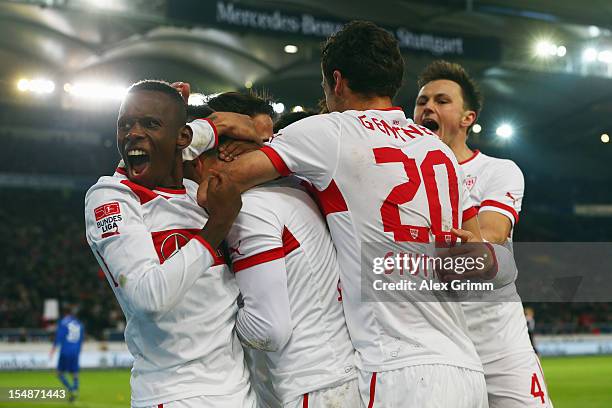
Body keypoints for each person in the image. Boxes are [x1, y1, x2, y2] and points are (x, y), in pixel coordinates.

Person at [192, 21, 494, 407]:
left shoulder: (330, 132)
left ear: (336, 81)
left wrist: (239, 130)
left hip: (396, 369)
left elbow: (216, 184)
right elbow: (477, 263)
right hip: (464, 366)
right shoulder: (439, 152)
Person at [84, 80, 255, 408]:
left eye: (149, 123)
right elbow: (149, 297)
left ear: (182, 138)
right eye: (124, 124)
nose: (132, 132)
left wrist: (209, 126)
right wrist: (218, 224)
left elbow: (249, 127)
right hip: (175, 395)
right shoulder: (112, 196)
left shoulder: (198, 194)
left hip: (240, 390)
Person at [193, 92, 359, 408]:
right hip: (334, 378)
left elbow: (268, 330)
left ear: (226, 152)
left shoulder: (250, 209)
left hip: (313, 387)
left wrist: (204, 321)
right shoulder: (298, 188)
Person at [413, 60, 553, 407]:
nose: (428, 106)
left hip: (499, 345)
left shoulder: (497, 171)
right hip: (436, 348)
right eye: (421, 101)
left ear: (467, 118)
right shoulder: (400, 177)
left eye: (442, 100)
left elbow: (490, 234)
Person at [50, 304, 83, 402]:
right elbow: (81, 340)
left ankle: (71, 389)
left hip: (65, 350)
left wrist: (53, 349)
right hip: (75, 351)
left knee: (59, 372)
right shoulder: (79, 324)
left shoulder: (63, 322)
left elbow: (59, 337)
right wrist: (78, 351)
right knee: (75, 373)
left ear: (64, 313)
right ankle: (75, 389)